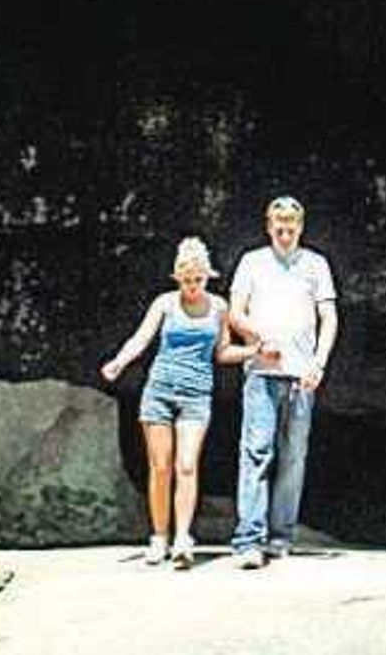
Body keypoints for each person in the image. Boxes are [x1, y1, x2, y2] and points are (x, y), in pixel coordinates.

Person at [97, 235, 239, 568]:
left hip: (196, 393)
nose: (192, 286)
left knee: (186, 465)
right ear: (177, 278)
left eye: (198, 280)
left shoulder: (218, 308)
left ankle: (183, 538)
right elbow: (141, 338)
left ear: (208, 276)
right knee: (160, 467)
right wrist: (119, 362)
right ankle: (159, 537)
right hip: (159, 391)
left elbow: (222, 351)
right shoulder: (165, 303)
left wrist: (255, 351)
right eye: (186, 280)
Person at [221, 193, 339, 569]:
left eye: (291, 226)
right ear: (268, 226)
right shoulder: (252, 262)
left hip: (301, 374)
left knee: (293, 457)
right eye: (279, 226)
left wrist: (319, 363)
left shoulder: (316, 265)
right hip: (261, 371)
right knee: (256, 451)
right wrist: (258, 337)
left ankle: (280, 536)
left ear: (301, 227)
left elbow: (329, 317)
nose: (285, 232)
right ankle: (248, 539)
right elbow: (235, 312)